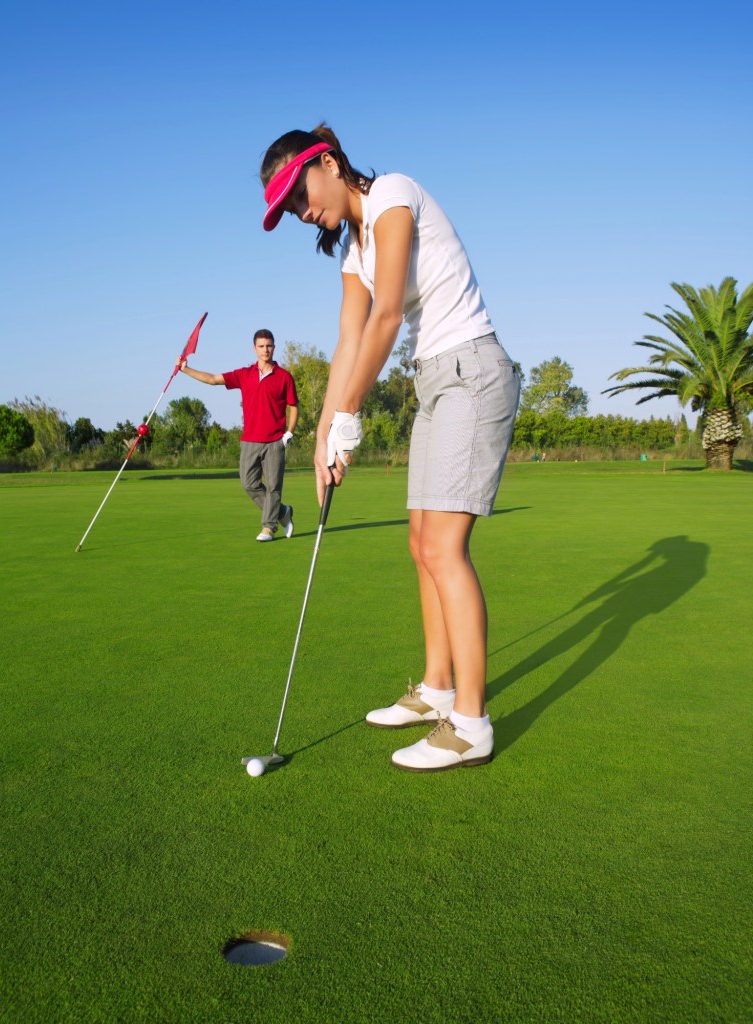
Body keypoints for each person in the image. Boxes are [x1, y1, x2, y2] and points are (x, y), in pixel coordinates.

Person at [260, 125, 520, 771]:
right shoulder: (354, 247)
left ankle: (470, 722)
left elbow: (387, 318)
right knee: (418, 542)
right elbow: (350, 337)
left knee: (443, 546)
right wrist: (324, 435)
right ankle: (436, 689)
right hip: (434, 380)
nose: (300, 210)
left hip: (472, 370)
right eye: (287, 208)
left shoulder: (394, 194)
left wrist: (350, 412)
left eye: (298, 191)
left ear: (327, 162)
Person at [180, 329, 299, 542]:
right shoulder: (244, 374)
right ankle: (282, 512)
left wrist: (289, 432)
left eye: (269, 345)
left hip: (274, 441)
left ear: (274, 347)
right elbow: (213, 379)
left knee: (273, 487)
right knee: (248, 483)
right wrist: (186, 369)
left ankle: (269, 528)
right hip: (250, 440)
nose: (266, 350)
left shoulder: (284, 377)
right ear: (255, 348)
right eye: (261, 346)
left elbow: (293, 406)